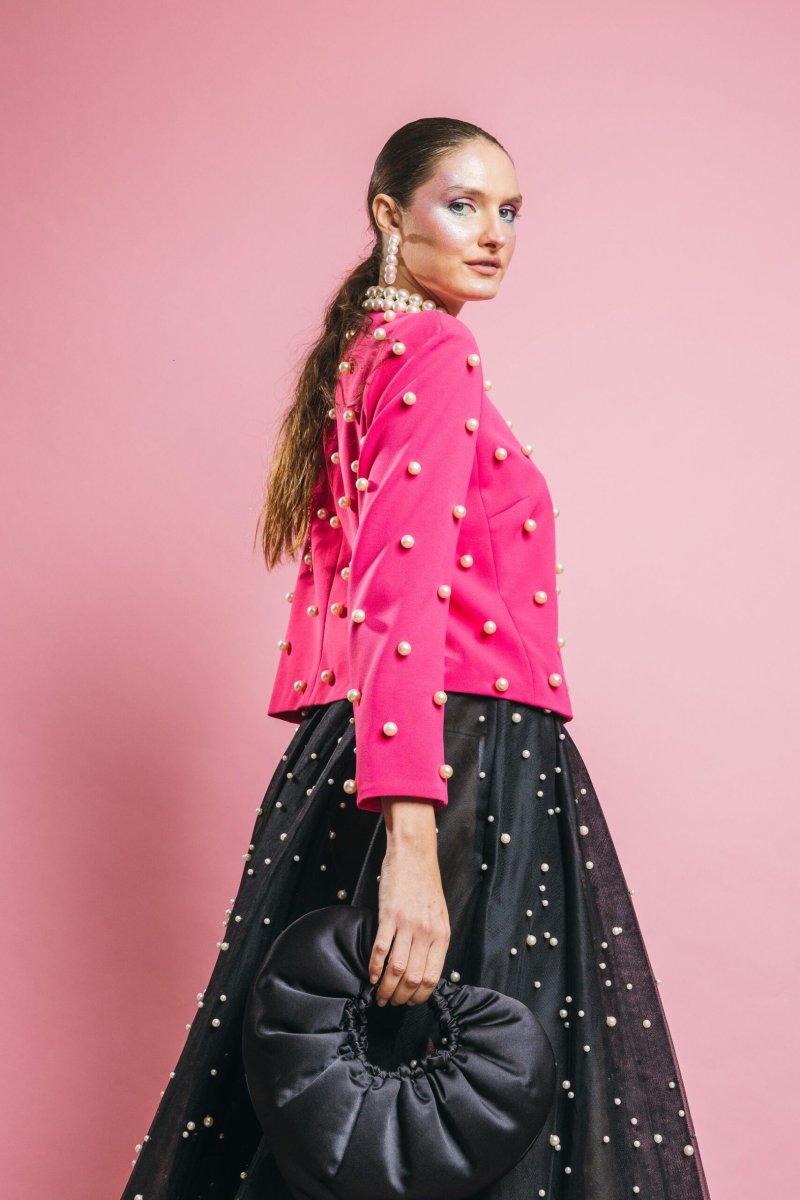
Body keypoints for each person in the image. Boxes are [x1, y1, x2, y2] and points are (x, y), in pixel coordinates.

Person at [119, 117, 712, 1200]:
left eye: (509, 211)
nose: (494, 234)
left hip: (375, 744)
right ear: (390, 216)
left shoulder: (364, 353)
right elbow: (398, 590)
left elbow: (346, 598)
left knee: (363, 1118)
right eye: (463, 204)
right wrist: (412, 846)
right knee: (455, 1117)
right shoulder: (434, 352)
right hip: (457, 761)